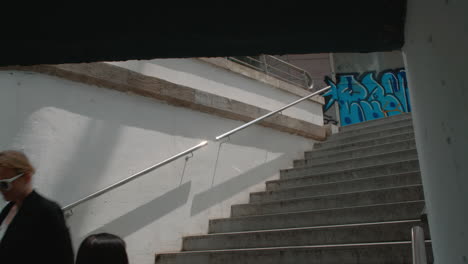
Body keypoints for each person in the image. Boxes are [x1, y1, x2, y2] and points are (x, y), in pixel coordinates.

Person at [0, 150, 74, 264]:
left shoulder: (47, 211)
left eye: (4, 184)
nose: (1, 190)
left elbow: (64, 258)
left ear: (26, 177)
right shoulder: (9, 209)